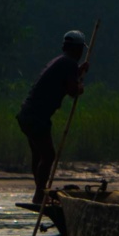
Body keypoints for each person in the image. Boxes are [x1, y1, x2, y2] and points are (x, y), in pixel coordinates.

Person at [18, 30, 91, 199]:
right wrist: (80, 86)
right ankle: (40, 194)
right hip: (36, 117)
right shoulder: (69, 64)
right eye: (80, 49)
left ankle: (40, 193)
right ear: (77, 49)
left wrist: (79, 72)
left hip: (26, 115)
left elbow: (64, 81)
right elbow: (72, 90)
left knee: (39, 155)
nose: (81, 54)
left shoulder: (61, 62)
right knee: (48, 155)